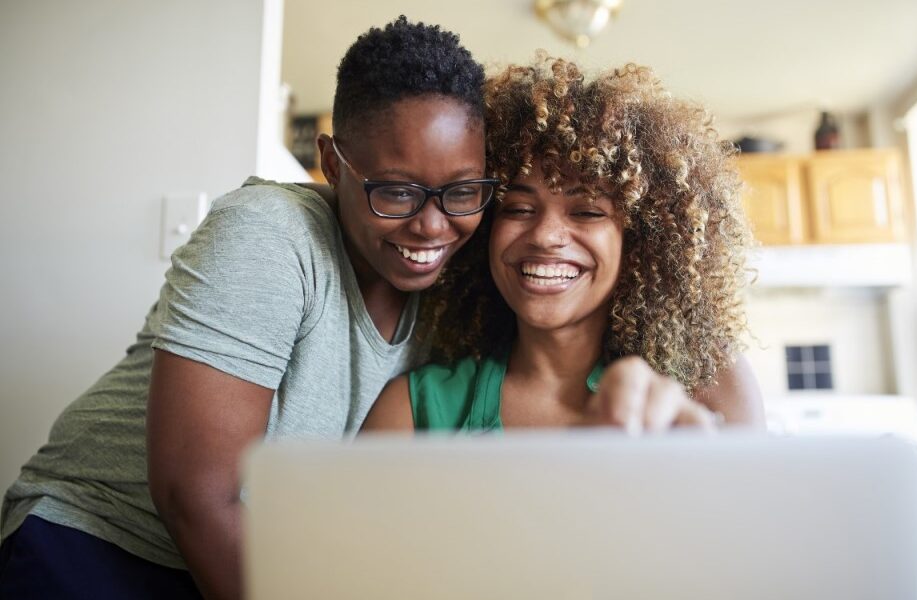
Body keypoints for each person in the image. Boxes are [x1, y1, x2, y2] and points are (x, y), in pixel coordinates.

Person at [0, 16, 493, 599]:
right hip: (98, 540)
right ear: (333, 164)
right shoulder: (269, 233)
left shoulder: (454, 290)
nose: (432, 224)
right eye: (396, 191)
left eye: (461, 191)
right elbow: (195, 495)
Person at [363, 56, 764, 433]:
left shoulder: (711, 385)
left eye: (587, 212)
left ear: (641, 238)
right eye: (518, 208)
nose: (544, 235)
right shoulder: (413, 412)